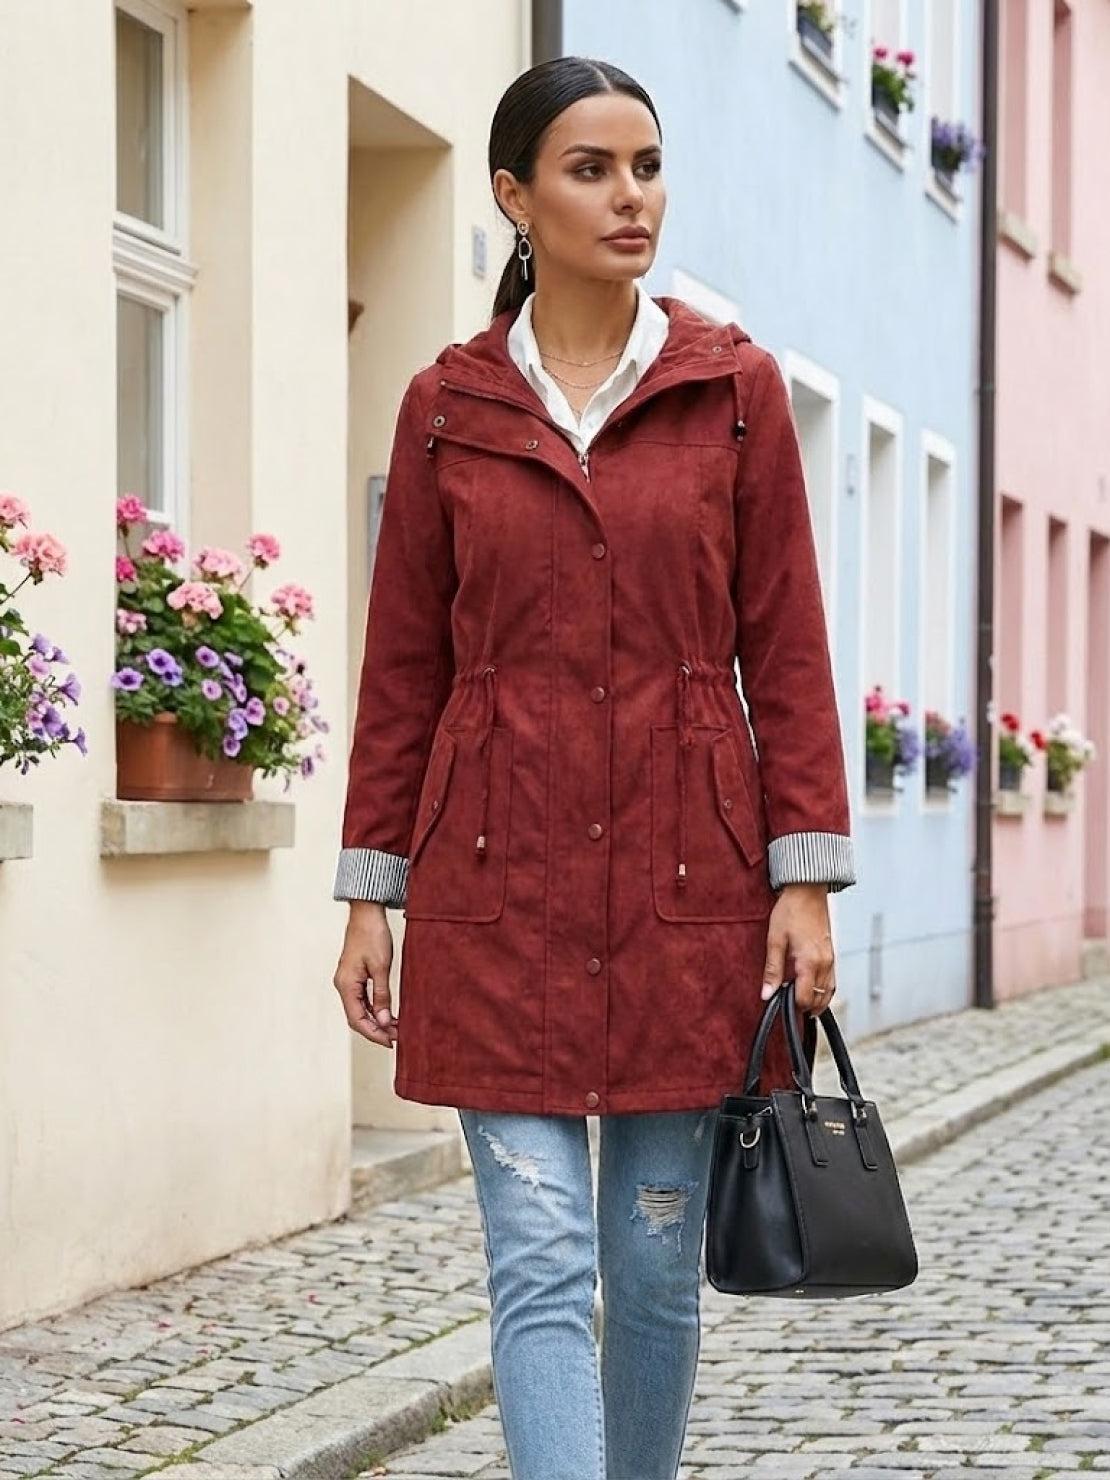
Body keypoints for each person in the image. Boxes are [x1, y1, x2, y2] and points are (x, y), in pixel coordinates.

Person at [332, 55, 856, 1480]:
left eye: (644, 165)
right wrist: (369, 890)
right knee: (544, 1255)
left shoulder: (730, 393)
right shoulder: (447, 407)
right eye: (588, 169)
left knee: (648, 1256)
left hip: (690, 883)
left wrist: (801, 878)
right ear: (513, 197)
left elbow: (787, 651)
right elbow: (403, 672)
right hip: (493, 885)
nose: (629, 197)